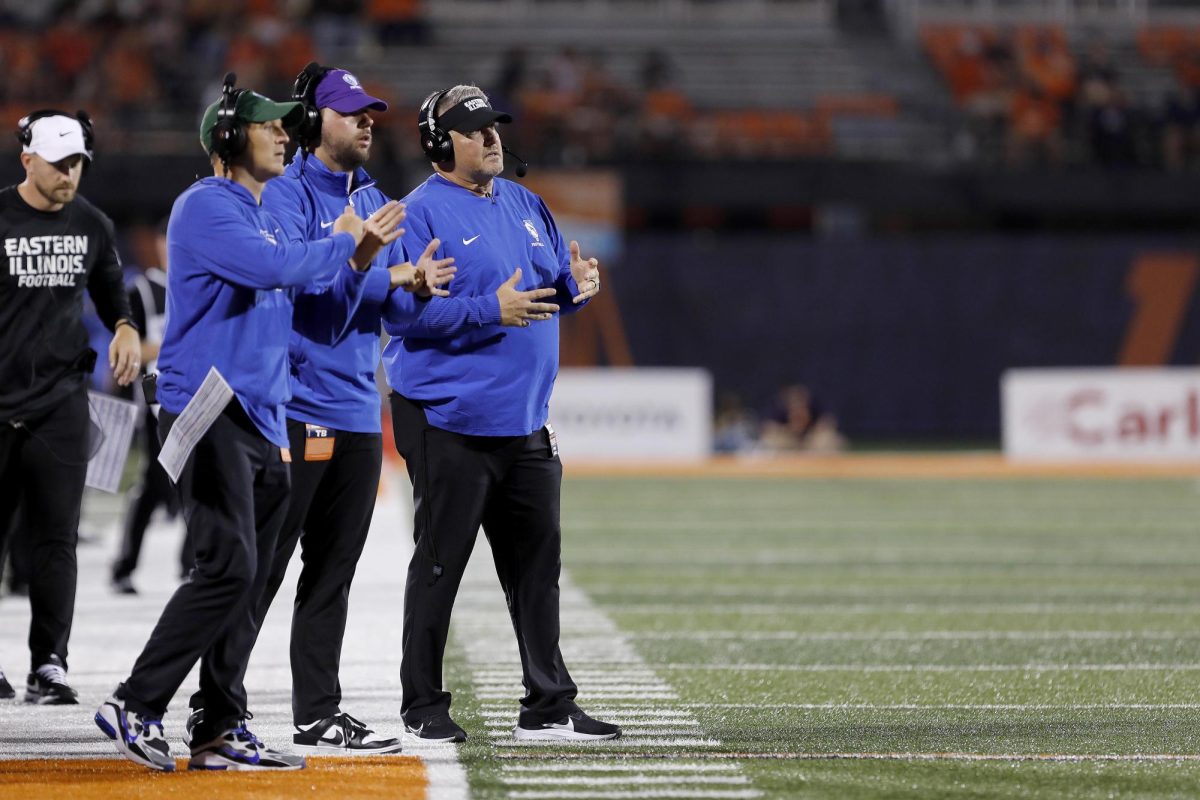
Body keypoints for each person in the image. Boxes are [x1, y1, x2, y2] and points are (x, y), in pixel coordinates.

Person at [94, 75, 404, 773]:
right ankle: (135, 701)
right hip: (209, 405)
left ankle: (220, 726)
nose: (282, 134)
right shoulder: (206, 206)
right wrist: (346, 242)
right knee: (230, 566)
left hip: (263, 414)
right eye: (267, 126)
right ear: (229, 138)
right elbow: (273, 268)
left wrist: (365, 264)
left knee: (249, 568)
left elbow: (317, 293)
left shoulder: (266, 210)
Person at [200, 62, 453, 756]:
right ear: (314, 120)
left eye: (372, 111)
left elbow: (386, 313)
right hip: (294, 407)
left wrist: (416, 286)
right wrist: (366, 258)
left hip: (355, 411)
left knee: (331, 576)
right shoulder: (280, 195)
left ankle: (318, 711)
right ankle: (217, 709)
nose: (368, 120)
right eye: (352, 112)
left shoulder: (376, 198)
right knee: (263, 568)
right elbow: (310, 306)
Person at [384, 84, 621, 742]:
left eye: (493, 126)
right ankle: (422, 706)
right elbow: (400, 316)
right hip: (448, 419)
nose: (491, 138)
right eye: (472, 129)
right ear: (438, 144)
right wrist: (492, 309)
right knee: (440, 563)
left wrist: (573, 288)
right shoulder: (417, 214)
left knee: (537, 567)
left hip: (524, 421)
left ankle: (546, 704)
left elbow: (541, 291)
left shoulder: (525, 202)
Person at [0, 109, 140, 704]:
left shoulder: (91, 224)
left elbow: (113, 295)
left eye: (78, 162)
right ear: (27, 158)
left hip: (60, 400)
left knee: (56, 537)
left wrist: (127, 327)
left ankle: (49, 663)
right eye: (59, 163)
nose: (70, 174)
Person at [110, 220, 191, 595]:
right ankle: (124, 566)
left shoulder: (195, 286)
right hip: (156, 404)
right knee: (154, 486)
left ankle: (192, 565)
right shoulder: (142, 291)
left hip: (197, 400)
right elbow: (127, 346)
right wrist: (169, 347)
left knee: (199, 481)